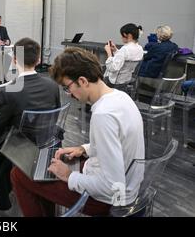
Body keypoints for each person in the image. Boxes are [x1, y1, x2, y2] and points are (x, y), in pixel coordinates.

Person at [11, 47, 145, 217]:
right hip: (124, 185)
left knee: (19, 174)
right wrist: (84, 149)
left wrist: (68, 175)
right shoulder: (120, 97)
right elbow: (119, 143)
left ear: (82, 81)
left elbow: (111, 188)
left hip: (109, 200)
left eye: (67, 88)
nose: (69, 94)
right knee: (47, 167)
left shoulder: (103, 115)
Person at [0, 38, 61, 210]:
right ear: (39, 60)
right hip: (46, 140)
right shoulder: (52, 85)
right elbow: (55, 114)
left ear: (14, 60)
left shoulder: (11, 90)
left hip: (19, 146)